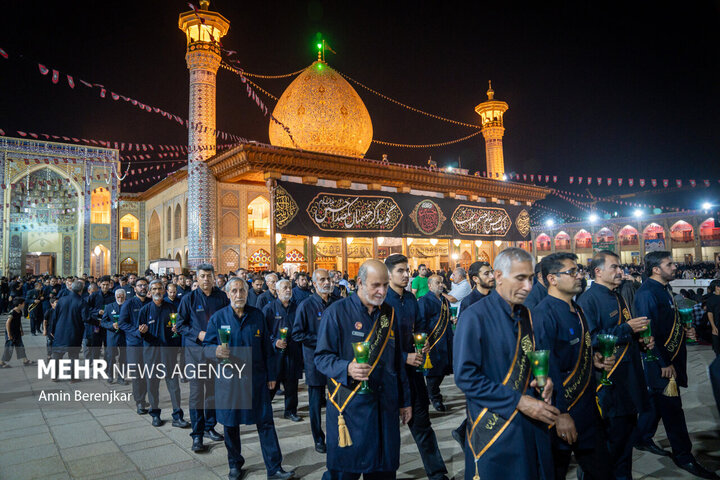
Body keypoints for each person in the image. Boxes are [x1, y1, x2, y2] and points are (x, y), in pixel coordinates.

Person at [454, 248, 559, 480]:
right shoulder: (475, 317)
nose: (528, 287)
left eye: (531, 278)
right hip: (497, 427)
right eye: (520, 278)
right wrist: (518, 401)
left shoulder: (528, 316)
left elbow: (531, 359)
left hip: (532, 424)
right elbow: (465, 377)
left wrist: (546, 380)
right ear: (499, 276)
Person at [315, 259, 412, 479]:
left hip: (385, 409)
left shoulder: (389, 314)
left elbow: (398, 363)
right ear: (359, 282)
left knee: (383, 470)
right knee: (344, 472)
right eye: (376, 285)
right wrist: (347, 368)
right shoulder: (336, 313)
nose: (382, 291)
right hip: (350, 409)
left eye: (385, 285)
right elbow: (321, 358)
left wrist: (405, 401)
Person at [634, 251, 719, 479]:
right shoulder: (646, 293)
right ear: (655, 269)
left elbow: (665, 324)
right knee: (673, 412)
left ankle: (641, 437)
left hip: (670, 359)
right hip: (660, 363)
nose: (675, 267)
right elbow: (647, 332)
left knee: (654, 403)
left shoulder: (663, 289)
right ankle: (684, 456)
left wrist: (684, 328)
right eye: (669, 264)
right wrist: (663, 363)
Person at [203, 277, 295, 480]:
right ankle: (235, 464)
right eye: (234, 291)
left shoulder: (257, 316)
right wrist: (215, 350)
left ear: (247, 293)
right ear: (227, 294)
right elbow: (206, 348)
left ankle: (274, 468)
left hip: (257, 380)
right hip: (229, 382)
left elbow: (267, 349)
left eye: (242, 291)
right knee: (230, 425)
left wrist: (272, 376)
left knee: (266, 423)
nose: (238, 295)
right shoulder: (218, 318)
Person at [532, 253, 614, 480]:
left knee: (602, 470)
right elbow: (547, 368)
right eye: (572, 272)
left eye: (579, 271)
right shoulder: (543, 313)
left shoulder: (577, 310)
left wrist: (594, 358)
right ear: (552, 279)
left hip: (587, 408)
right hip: (562, 411)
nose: (579, 276)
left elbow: (575, 352)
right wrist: (561, 415)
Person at [577, 250, 652, 479]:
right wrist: (627, 328)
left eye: (620, 267)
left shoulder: (617, 295)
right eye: (615, 267)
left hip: (628, 381)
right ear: (598, 271)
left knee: (625, 447)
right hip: (609, 385)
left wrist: (640, 340)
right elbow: (592, 338)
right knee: (610, 448)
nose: (621, 271)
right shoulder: (588, 300)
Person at [384, 254, 448, 480]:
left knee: (423, 425)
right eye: (400, 270)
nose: (405, 274)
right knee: (388, 433)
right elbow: (379, 346)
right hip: (390, 376)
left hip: (413, 374)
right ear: (389, 274)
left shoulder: (411, 299)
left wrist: (424, 341)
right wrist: (404, 357)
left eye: (407, 270)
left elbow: (419, 327)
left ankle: (437, 473)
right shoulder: (382, 302)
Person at [176, 263, 229, 452]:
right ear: (196, 279)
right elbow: (180, 325)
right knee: (197, 395)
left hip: (215, 354)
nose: (206, 279)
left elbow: (227, 321)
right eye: (203, 276)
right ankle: (197, 435)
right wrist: (198, 334)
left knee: (213, 392)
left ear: (214, 277)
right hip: (195, 353)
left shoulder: (222, 297)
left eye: (209, 276)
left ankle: (209, 427)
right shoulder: (188, 299)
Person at [292, 268, 335, 453]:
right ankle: (319, 438)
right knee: (316, 402)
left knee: (336, 399)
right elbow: (297, 334)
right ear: (314, 283)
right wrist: (321, 340)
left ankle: (337, 434)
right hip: (315, 360)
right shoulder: (306, 305)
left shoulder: (337, 303)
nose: (326, 282)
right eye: (322, 280)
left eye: (328, 279)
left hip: (335, 360)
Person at [453, 260, 495, 449]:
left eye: (492, 272)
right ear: (476, 279)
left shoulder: (497, 297)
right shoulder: (470, 302)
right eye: (486, 274)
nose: (491, 276)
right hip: (480, 360)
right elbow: (464, 336)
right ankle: (466, 433)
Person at [138, 280, 189, 428]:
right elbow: (139, 332)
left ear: (164, 290)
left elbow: (179, 327)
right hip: (151, 352)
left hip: (168, 351)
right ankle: (155, 414)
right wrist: (142, 331)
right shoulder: (145, 310)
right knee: (152, 383)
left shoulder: (172, 307)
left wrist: (176, 330)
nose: (157, 291)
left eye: (160, 288)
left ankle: (177, 416)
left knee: (173, 383)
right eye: (154, 289)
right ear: (150, 291)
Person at [264, 279, 304, 422]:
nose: (288, 290)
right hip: (275, 355)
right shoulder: (269, 309)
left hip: (293, 352)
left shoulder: (297, 307)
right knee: (272, 385)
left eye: (290, 288)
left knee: (292, 384)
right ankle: (264, 410)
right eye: (285, 288)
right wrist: (275, 341)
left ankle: (290, 411)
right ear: (278, 290)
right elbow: (263, 331)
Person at [418, 275, 454, 412]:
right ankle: (435, 397)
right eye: (437, 282)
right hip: (432, 342)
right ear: (430, 285)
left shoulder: (445, 300)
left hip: (446, 340)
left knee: (443, 370)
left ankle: (431, 393)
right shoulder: (424, 301)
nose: (440, 284)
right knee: (433, 372)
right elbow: (420, 322)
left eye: (441, 282)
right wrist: (423, 339)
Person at [118, 277, 152, 414]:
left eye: (145, 285)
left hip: (150, 343)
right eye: (140, 286)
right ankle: (140, 402)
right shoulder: (129, 304)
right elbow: (122, 323)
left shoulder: (151, 303)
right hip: (134, 344)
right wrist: (136, 331)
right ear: (135, 288)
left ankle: (148, 398)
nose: (143, 288)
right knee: (137, 374)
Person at [50, 280, 90, 381]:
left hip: (60, 331)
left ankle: (54, 376)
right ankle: (73, 377)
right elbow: (86, 318)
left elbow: (55, 316)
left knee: (57, 355)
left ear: (71, 288)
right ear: (81, 290)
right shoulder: (82, 301)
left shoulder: (62, 300)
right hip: (74, 332)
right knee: (73, 355)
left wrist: (52, 330)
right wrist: (97, 322)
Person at [100, 289, 128, 385]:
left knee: (124, 358)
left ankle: (121, 377)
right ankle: (110, 375)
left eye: (122, 297)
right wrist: (111, 325)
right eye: (118, 297)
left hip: (125, 336)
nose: (120, 299)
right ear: (115, 297)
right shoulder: (109, 307)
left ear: (125, 297)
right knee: (111, 356)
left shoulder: (128, 306)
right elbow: (103, 322)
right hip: (112, 336)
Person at [87, 276, 115, 361]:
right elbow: (87, 309)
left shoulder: (113, 296)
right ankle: (96, 364)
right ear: (99, 284)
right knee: (96, 346)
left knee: (108, 346)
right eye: (103, 284)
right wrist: (97, 311)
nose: (105, 287)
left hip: (108, 324)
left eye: (107, 284)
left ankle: (106, 364)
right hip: (96, 324)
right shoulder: (94, 296)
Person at [0, 298, 34, 367]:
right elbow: (7, 323)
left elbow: (19, 321)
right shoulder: (12, 312)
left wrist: (21, 329)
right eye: (23, 303)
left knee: (20, 346)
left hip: (17, 332)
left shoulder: (20, 311)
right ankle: (1, 362)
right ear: (19, 304)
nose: (24, 305)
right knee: (9, 347)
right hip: (11, 332)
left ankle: (25, 360)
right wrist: (9, 334)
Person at [706, 279, 720, 356]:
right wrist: (713, 326)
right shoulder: (711, 299)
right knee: (717, 349)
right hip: (717, 325)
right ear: (717, 287)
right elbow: (710, 313)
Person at [43, 295, 58, 360]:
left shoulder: (59, 311)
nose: (58, 304)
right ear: (52, 304)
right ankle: (49, 354)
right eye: (56, 302)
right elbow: (45, 321)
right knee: (49, 342)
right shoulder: (49, 311)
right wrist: (45, 330)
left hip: (57, 329)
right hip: (49, 329)